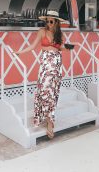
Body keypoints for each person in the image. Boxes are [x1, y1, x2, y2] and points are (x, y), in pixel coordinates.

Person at [14, 10, 69, 139]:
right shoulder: (41, 31)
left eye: (51, 21)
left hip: (56, 63)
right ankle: (43, 116)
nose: (48, 23)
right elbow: (33, 46)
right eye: (47, 21)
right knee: (44, 90)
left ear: (56, 22)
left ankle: (50, 121)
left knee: (53, 92)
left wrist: (69, 47)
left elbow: (61, 48)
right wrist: (20, 52)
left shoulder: (59, 34)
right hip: (45, 63)